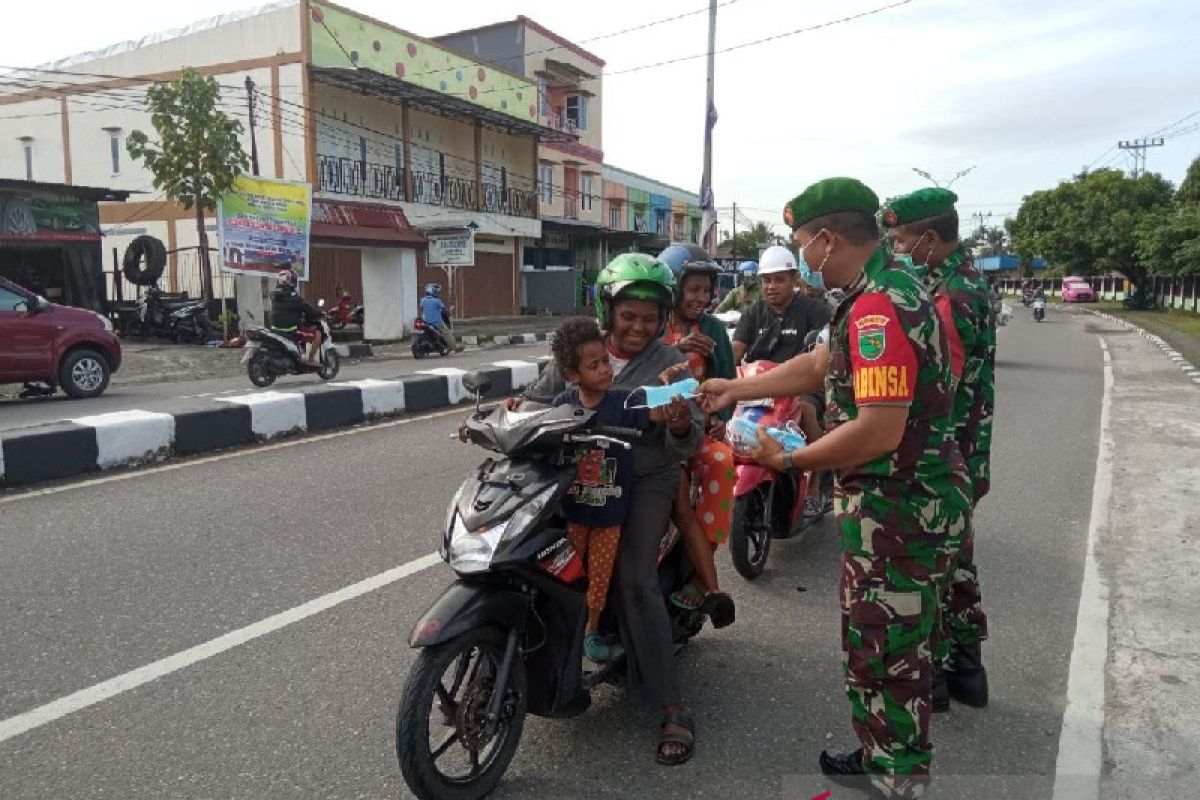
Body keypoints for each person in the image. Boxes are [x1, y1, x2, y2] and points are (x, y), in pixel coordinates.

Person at [698, 178, 969, 800]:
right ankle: (882, 752)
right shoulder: (880, 290)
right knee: (883, 641)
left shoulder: (877, 306)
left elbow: (877, 429)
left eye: (800, 246)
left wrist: (791, 461)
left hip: (900, 508)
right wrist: (736, 387)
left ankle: (899, 777)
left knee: (887, 650)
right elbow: (823, 364)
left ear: (824, 240)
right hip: (902, 504)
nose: (798, 260)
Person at [517, 252, 704, 766]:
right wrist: (508, 415)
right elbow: (537, 403)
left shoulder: (671, 365)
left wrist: (679, 423)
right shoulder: (580, 352)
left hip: (645, 474)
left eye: (649, 317)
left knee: (634, 577)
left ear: (663, 318)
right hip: (579, 471)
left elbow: (690, 440)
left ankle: (672, 705)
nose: (638, 327)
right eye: (628, 315)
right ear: (608, 311)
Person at [883, 188, 996, 711]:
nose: (899, 248)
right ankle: (964, 672)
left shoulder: (950, 298)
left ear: (930, 238)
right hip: (969, 448)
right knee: (956, 560)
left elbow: (937, 387)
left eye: (904, 239)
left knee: (928, 566)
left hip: (940, 451)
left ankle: (936, 679)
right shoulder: (970, 279)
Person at [549, 317, 692, 663]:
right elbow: (537, 425)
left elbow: (655, 413)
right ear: (572, 375)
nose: (604, 369)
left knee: (599, 574)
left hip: (609, 512)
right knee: (565, 571)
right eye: (594, 365)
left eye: (605, 362)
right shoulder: (563, 403)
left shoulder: (623, 401)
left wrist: (669, 394)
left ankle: (592, 629)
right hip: (572, 507)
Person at [656, 244, 738, 625]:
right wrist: (677, 347)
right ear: (672, 287)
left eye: (706, 290)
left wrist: (720, 415)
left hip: (700, 431)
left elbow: (728, 384)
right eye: (693, 289)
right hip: (656, 434)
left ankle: (700, 577)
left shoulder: (715, 330)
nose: (701, 298)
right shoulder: (653, 324)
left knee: (722, 463)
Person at [732, 244, 834, 521]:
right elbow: (736, 351)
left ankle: (815, 488)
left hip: (803, 387)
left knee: (808, 411)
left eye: (779, 279)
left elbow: (826, 349)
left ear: (794, 280)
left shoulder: (815, 310)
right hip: (759, 387)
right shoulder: (753, 312)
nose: (771, 286)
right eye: (767, 280)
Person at [269, 269, 322, 364]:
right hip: (290, 330)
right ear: (291, 281)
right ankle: (310, 359)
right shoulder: (294, 297)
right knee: (317, 334)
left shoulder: (274, 296)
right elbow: (308, 309)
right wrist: (318, 312)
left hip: (275, 329)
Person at [418, 283, 458, 352]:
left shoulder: (423, 300)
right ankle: (454, 347)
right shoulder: (437, 301)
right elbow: (443, 308)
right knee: (447, 333)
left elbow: (422, 307)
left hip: (426, 322)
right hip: (437, 323)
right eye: (435, 291)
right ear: (433, 292)